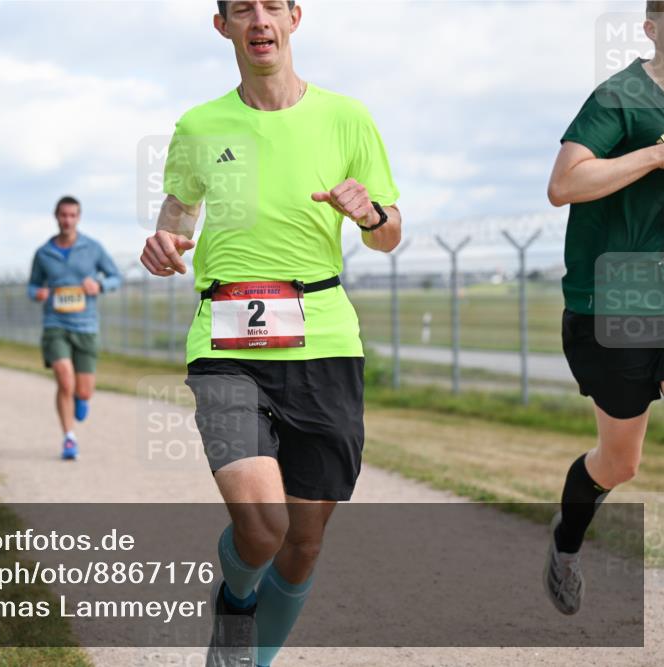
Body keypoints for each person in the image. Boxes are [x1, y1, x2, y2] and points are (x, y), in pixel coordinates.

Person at [140, 2, 402, 665]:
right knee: (261, 525)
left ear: (294, 18)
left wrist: (369, 211)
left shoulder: (348, 117)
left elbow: (391, 232)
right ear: (222, 24)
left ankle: (251, 658)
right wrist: (166, 241)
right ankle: (234, 607)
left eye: (271, 7)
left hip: (326, 341)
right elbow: (178, 214)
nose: (259, 20)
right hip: (227, 343)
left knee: (303, 542)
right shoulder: (199, 126)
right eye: (242, 9)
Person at [543, 1, 664, 616]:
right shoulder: (621, 96)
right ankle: (566, 542)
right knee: (621, 462)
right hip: (621, 292)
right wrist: (655, 154)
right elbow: (564, 184)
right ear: (651, 27)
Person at [28, 195, 121, 460]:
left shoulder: (92, 248)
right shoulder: (43, 253)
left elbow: (116, 276)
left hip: (86, 326)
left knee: (83, 390)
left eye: (72, 215)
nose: (67, 220)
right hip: (55, 324)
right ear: (56, 217)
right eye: (63, 215)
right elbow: (32, 285)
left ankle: (82, 398)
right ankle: (69, 438)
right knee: (64, 380)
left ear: (78, 218)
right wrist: (38, 293)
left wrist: (100, 285)